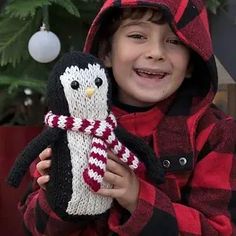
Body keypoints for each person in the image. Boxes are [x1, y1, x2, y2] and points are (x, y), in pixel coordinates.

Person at [18, 0, 236, 235]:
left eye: (174, 41)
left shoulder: (215, 133)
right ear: (106, 52)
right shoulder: (70, 123)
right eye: (137, 35)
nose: (156, 53)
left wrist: (137, 198)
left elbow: (218, 231)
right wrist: (56, 194)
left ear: (192, 63)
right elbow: (36, 228)